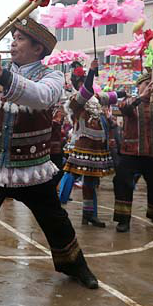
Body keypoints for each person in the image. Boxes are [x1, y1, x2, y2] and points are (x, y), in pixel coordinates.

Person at [0, 15, 98, 306]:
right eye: (13, 38)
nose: (12, 44)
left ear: (38, 48)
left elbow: (39, 97)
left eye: (19, 39)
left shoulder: (51, 78)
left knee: (56, 221)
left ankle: (75, 266)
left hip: (33, 169)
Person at [58, 59, 126, 227]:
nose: (84, 85)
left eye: (84, 81)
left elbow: (110, 96)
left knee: (90, 182)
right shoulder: (75, 100)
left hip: (97, 146)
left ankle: (88, 214)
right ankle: (72, 208)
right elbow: (87, 91)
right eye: (81, 82)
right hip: (84, 145)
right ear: (77, 84)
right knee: (81, 178)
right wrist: (91, 72)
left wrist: (125, 93)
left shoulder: (95, 97)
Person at [112, 72, 153, 233]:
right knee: (123, 185)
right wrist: (142, 96)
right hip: (130, 153)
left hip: (152, 152)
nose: (150, 88)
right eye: (147, 84)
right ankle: (123, 219)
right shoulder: (130, 100)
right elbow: (124, 108)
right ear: (139, 86)